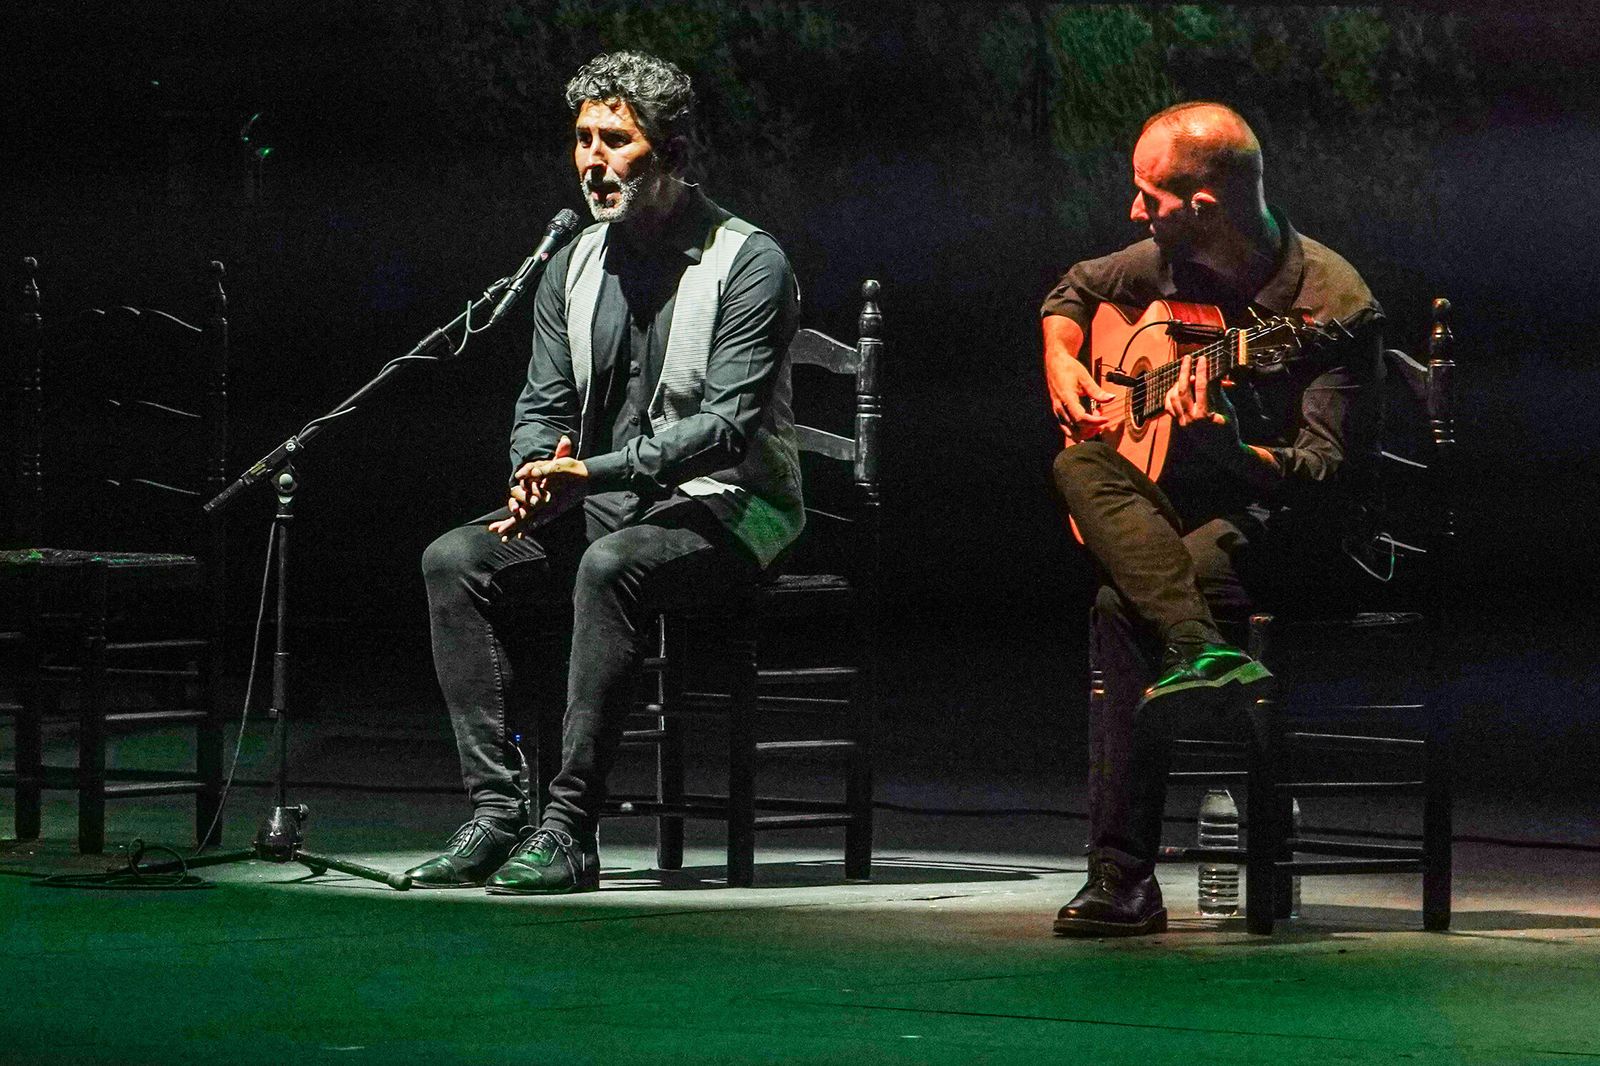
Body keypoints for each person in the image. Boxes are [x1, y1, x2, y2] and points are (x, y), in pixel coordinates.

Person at [405, 51, 802, 894]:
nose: (593, 159)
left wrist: (596, 472)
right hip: (598, 505)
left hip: (733, 508)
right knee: (455, 559)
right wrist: (532, 471)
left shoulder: (750, 262)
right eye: (583, 139)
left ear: (674, 153)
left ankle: (570, 827)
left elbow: (725, 428)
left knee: (608, 565)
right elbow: (542, 401)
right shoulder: (571, 262)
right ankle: (496, 811)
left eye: (616, 140)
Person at [1043, 102, 1383, 936]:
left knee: (1124, 602)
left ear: (1204, 207)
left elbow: (1326, 475)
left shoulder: (1331, 303)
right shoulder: (1165, 258)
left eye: (1148, 196)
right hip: (1190, 525)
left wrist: (1230, 449)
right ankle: (1199, 648)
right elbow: (1073, 289)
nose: (1135, 211)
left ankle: (1123, 879)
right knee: (1079, 459)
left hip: (1299, 530)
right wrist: (1062, 359)